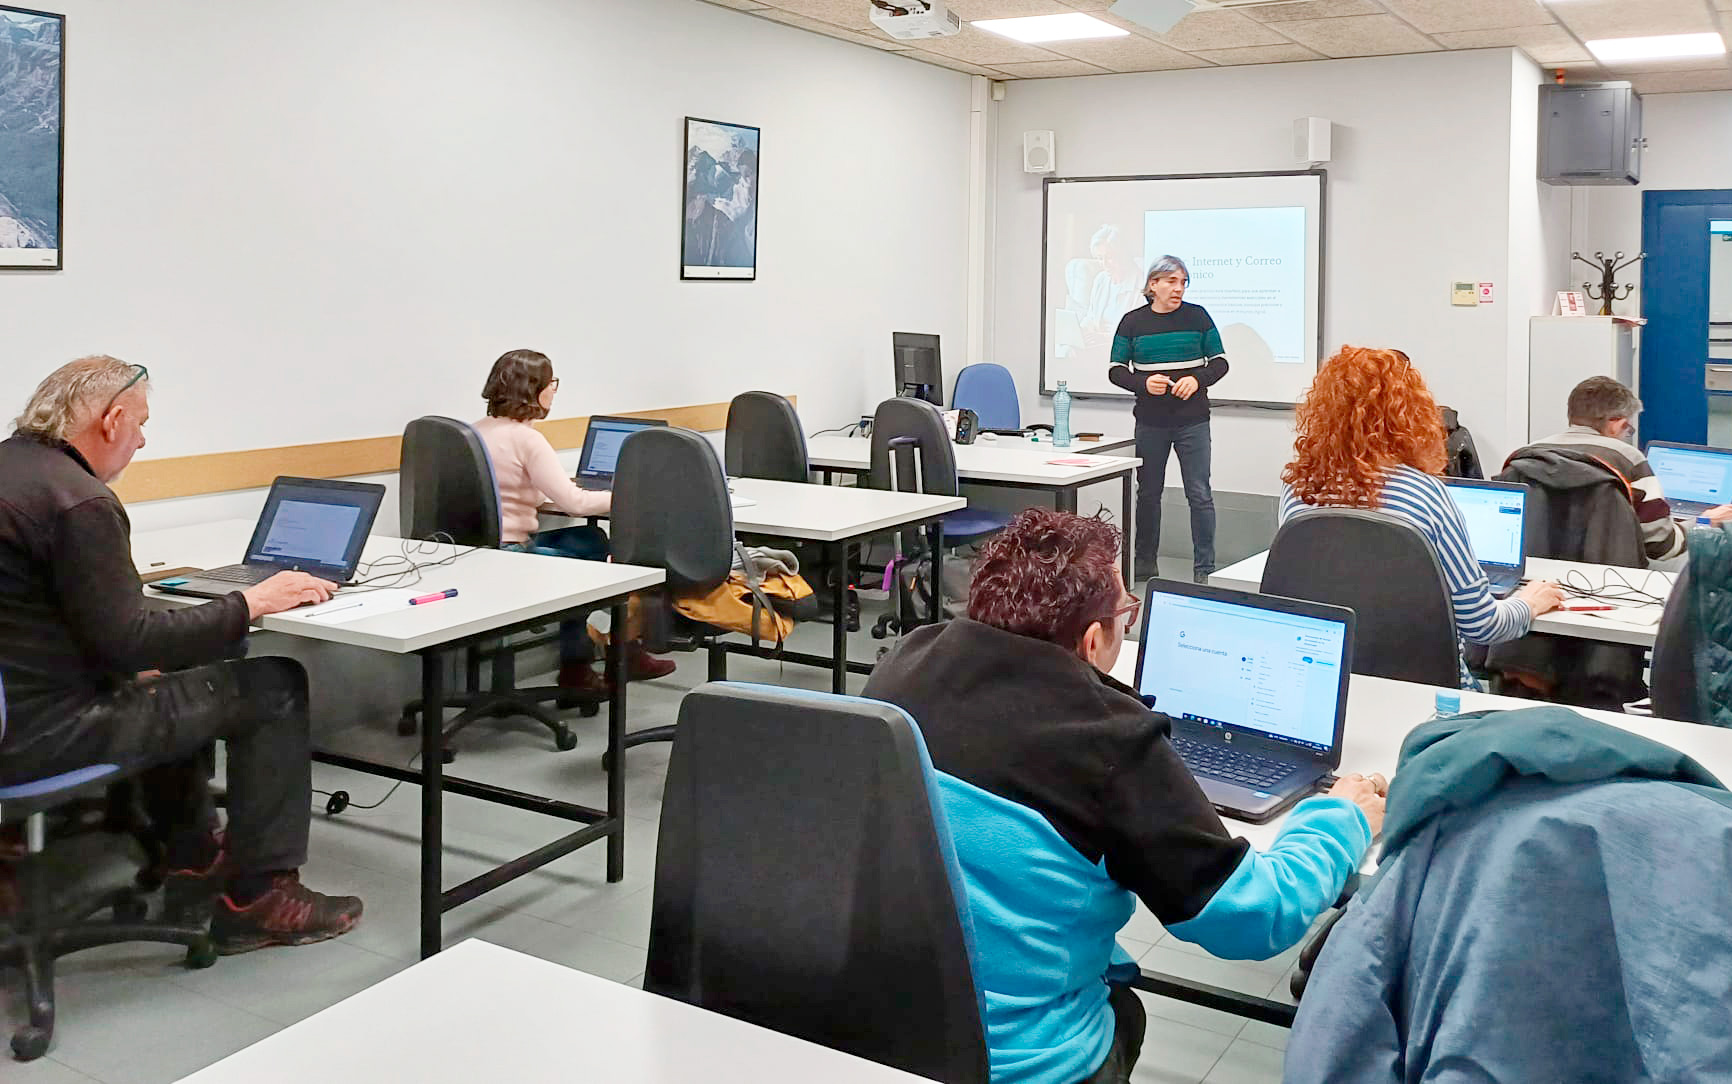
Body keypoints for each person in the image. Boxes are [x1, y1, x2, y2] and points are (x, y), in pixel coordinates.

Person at [864, 508, 1384, 1084]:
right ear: (1092, 640)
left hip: (885, 1032)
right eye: (1123, 617)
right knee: (1124, 1009)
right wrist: (1340, 818)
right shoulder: (1110, 741)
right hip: (1024, 1065)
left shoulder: (904, 665)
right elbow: (1253, 916)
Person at [0, 356, 362, 953]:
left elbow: (46, 623)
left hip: (18, 711)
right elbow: (131, 641)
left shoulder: (13, 472)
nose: (143, 439)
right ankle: (258, 897)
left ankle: (189, 855)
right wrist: (253, 602)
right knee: (273, 685)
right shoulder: (78, 501)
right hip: (50, 734)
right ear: (112, 420)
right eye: (140, 424)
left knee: (185, 671)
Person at [1281, 346, 1565, 689]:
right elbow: (1482, 624)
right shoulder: (1425, 493)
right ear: (1410, 413)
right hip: (1424, 689)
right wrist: (1528, 604)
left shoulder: (1298, 490)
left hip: (1320, 680)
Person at [471, 349, 674, 693]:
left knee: (593, 542)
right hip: (512, 556)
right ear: (534, 390)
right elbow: (576, 504)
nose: (554, 391)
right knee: (589, 571)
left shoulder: (474, 432)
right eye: (552, 384)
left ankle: (607, 653)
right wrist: (630, 496)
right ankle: (583, 666)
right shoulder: (528, 439)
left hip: (479, 552)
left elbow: (508, 490)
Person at [1517, 375, 1732, 564]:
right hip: (1612, 582)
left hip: (1535, 580)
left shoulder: (1526, 454)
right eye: (1627, 428)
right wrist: (1705, 521)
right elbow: (1663, 546)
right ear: (1615, 424)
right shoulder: (1629, 460)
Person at [1107, 256, 1227, 584]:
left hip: (1193, 421)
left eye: (1183, 282)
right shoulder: (1132, 322)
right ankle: (1145, 563)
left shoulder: (1198, 317)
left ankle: (1205, 569)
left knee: (1199, 493)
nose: (1179, 288)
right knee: (1147, 493)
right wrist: (1142, 383)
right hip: (1150, 422)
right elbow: (1116, 370)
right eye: (1172, 281)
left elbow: (1220, 362)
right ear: (1152, 285)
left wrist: (1198, 379)